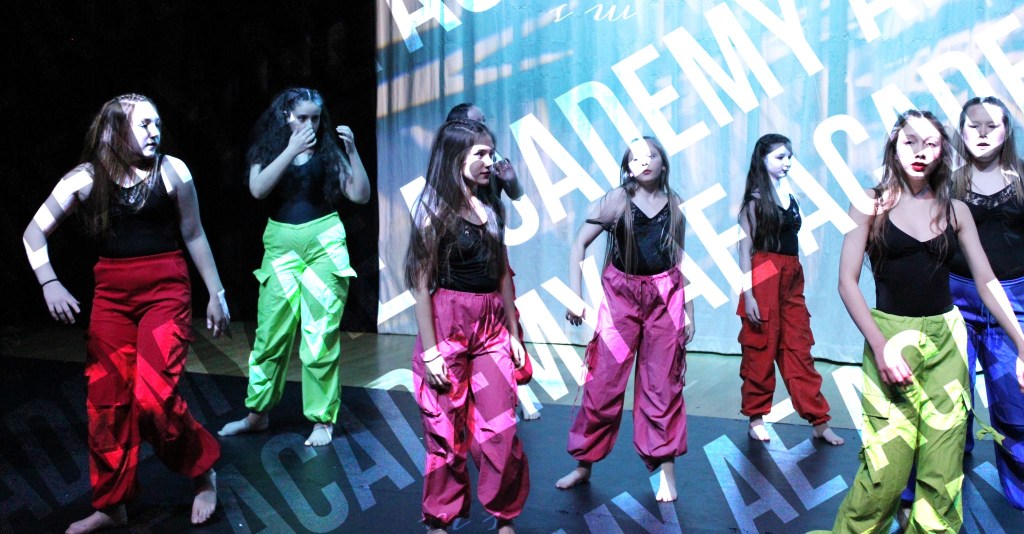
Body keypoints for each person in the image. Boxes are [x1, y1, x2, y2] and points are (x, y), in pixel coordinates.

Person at [22, 94, 228, 533]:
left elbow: (193, 233)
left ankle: (203, 471)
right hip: (112, 297)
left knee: (154, 398)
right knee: (107, 402)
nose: (155, 132)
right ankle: (112, 505)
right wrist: (49, 282)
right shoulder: (85, 178)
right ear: (115, 131)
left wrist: (216, 292)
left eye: (158, 123)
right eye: (144, 125)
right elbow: (33, 234)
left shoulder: (173, 171)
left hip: (165, 291)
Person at [827, 109, 1024, 532]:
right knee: (886, 470)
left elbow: (987, 282)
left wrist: (1023, 345)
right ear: (894, 146)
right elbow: (846, 282)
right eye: (910, 141)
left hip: (947, 343)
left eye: (930, 143)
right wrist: (880, 347)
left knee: (943, 466)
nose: (920, 151)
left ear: (942, 152)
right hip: (891, 338)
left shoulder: (956, 211)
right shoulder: (869, 202)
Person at [218, 88, 370, 447]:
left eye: (315, 118)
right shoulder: (268, 148)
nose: (310, 124)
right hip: (282, 246)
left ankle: (322, 420)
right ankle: (257, 414)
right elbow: (258, 189)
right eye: (302, 117)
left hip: (324, 244)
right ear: (285, 115)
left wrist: (352, 151)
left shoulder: (328, 150)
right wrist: (291, 149)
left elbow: (359, 194)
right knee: (270, 335)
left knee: (319, 336)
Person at [405, 119, 529, 533]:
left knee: (501, 428)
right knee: (444, 430)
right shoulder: (432, 209)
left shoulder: (491, 206)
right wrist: (431, 351)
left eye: (491, 153)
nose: (490, 162)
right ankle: (440, 520)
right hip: (448, 322)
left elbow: (501, 273)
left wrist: (513, 332)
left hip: (491, 323)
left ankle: (505, 516)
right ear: (456, 156)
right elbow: (420, 284)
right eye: (480, 154)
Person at [555, 136, 694, 502]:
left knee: (662, 386)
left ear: (663, 162)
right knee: (603, 383)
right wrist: (575, 297)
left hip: (665, 298)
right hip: (622, 298)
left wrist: (688, 311)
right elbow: (579, 244)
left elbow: (679, 260)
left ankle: (667, 471)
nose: (644, 162)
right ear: (628, 167)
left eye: (651, 156)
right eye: (636, 158)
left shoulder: (675, 203)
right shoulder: (617, 200)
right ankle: (584, 464)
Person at [736, 134, 844, 446]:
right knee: (760, 348)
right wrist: (749, 295)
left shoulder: (788, 196)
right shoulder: (754, 202)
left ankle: (819, 421)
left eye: (789, 157)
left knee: (798, 345)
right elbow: (744, 250)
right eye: (780, 157)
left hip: (790, 275)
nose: (787, 163)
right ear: (763, 160)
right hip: (764, 272)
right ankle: (756, 418)